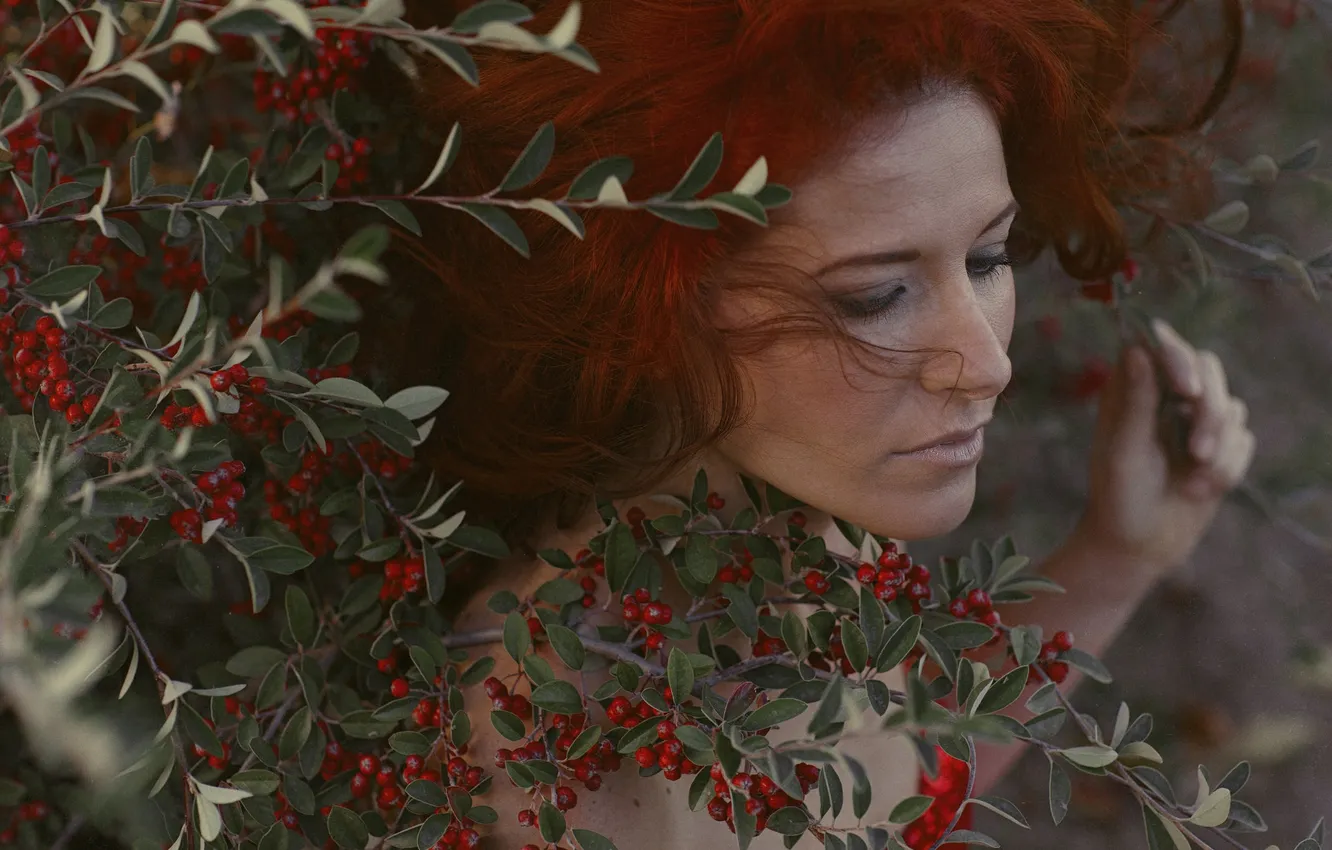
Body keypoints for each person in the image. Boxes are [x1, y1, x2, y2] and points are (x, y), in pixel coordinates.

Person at [366, 0, 1252, 846]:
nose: (987, 365)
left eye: (988, 258)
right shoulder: (540, 742)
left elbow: (905, 781)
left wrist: (1118, 554)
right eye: (875, 298)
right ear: (651, 309)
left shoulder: (808, 540)